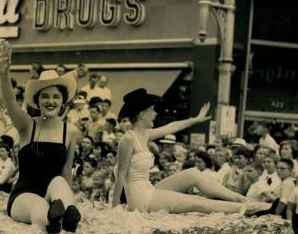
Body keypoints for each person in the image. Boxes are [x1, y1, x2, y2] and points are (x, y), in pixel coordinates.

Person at [111, 88, 272, 215]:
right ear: (142, 113)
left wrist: (195, 120)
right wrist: (115, 209)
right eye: (153, 109)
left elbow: (171, 127)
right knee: (197, 203)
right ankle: (251, 208)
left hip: (149, 188)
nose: (156, 113)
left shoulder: (144, 135)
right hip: (140, 199)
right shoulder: (128, 139)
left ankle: (241, 199)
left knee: (193, 173)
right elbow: (120, 176)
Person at [0, 47, 82, 234]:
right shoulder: (27, 125)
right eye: (45, 96)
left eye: (55, 96)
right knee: (40, 208)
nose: (50, 101)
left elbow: (66, 171)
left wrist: (69, 197)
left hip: (55, 194)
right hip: (24, 195)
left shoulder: (70, 131)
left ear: (63, 101)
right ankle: (51, 219)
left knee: (59, 181)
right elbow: (10, 103)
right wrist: (4, 75)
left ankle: (68, 213)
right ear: (37, 100)